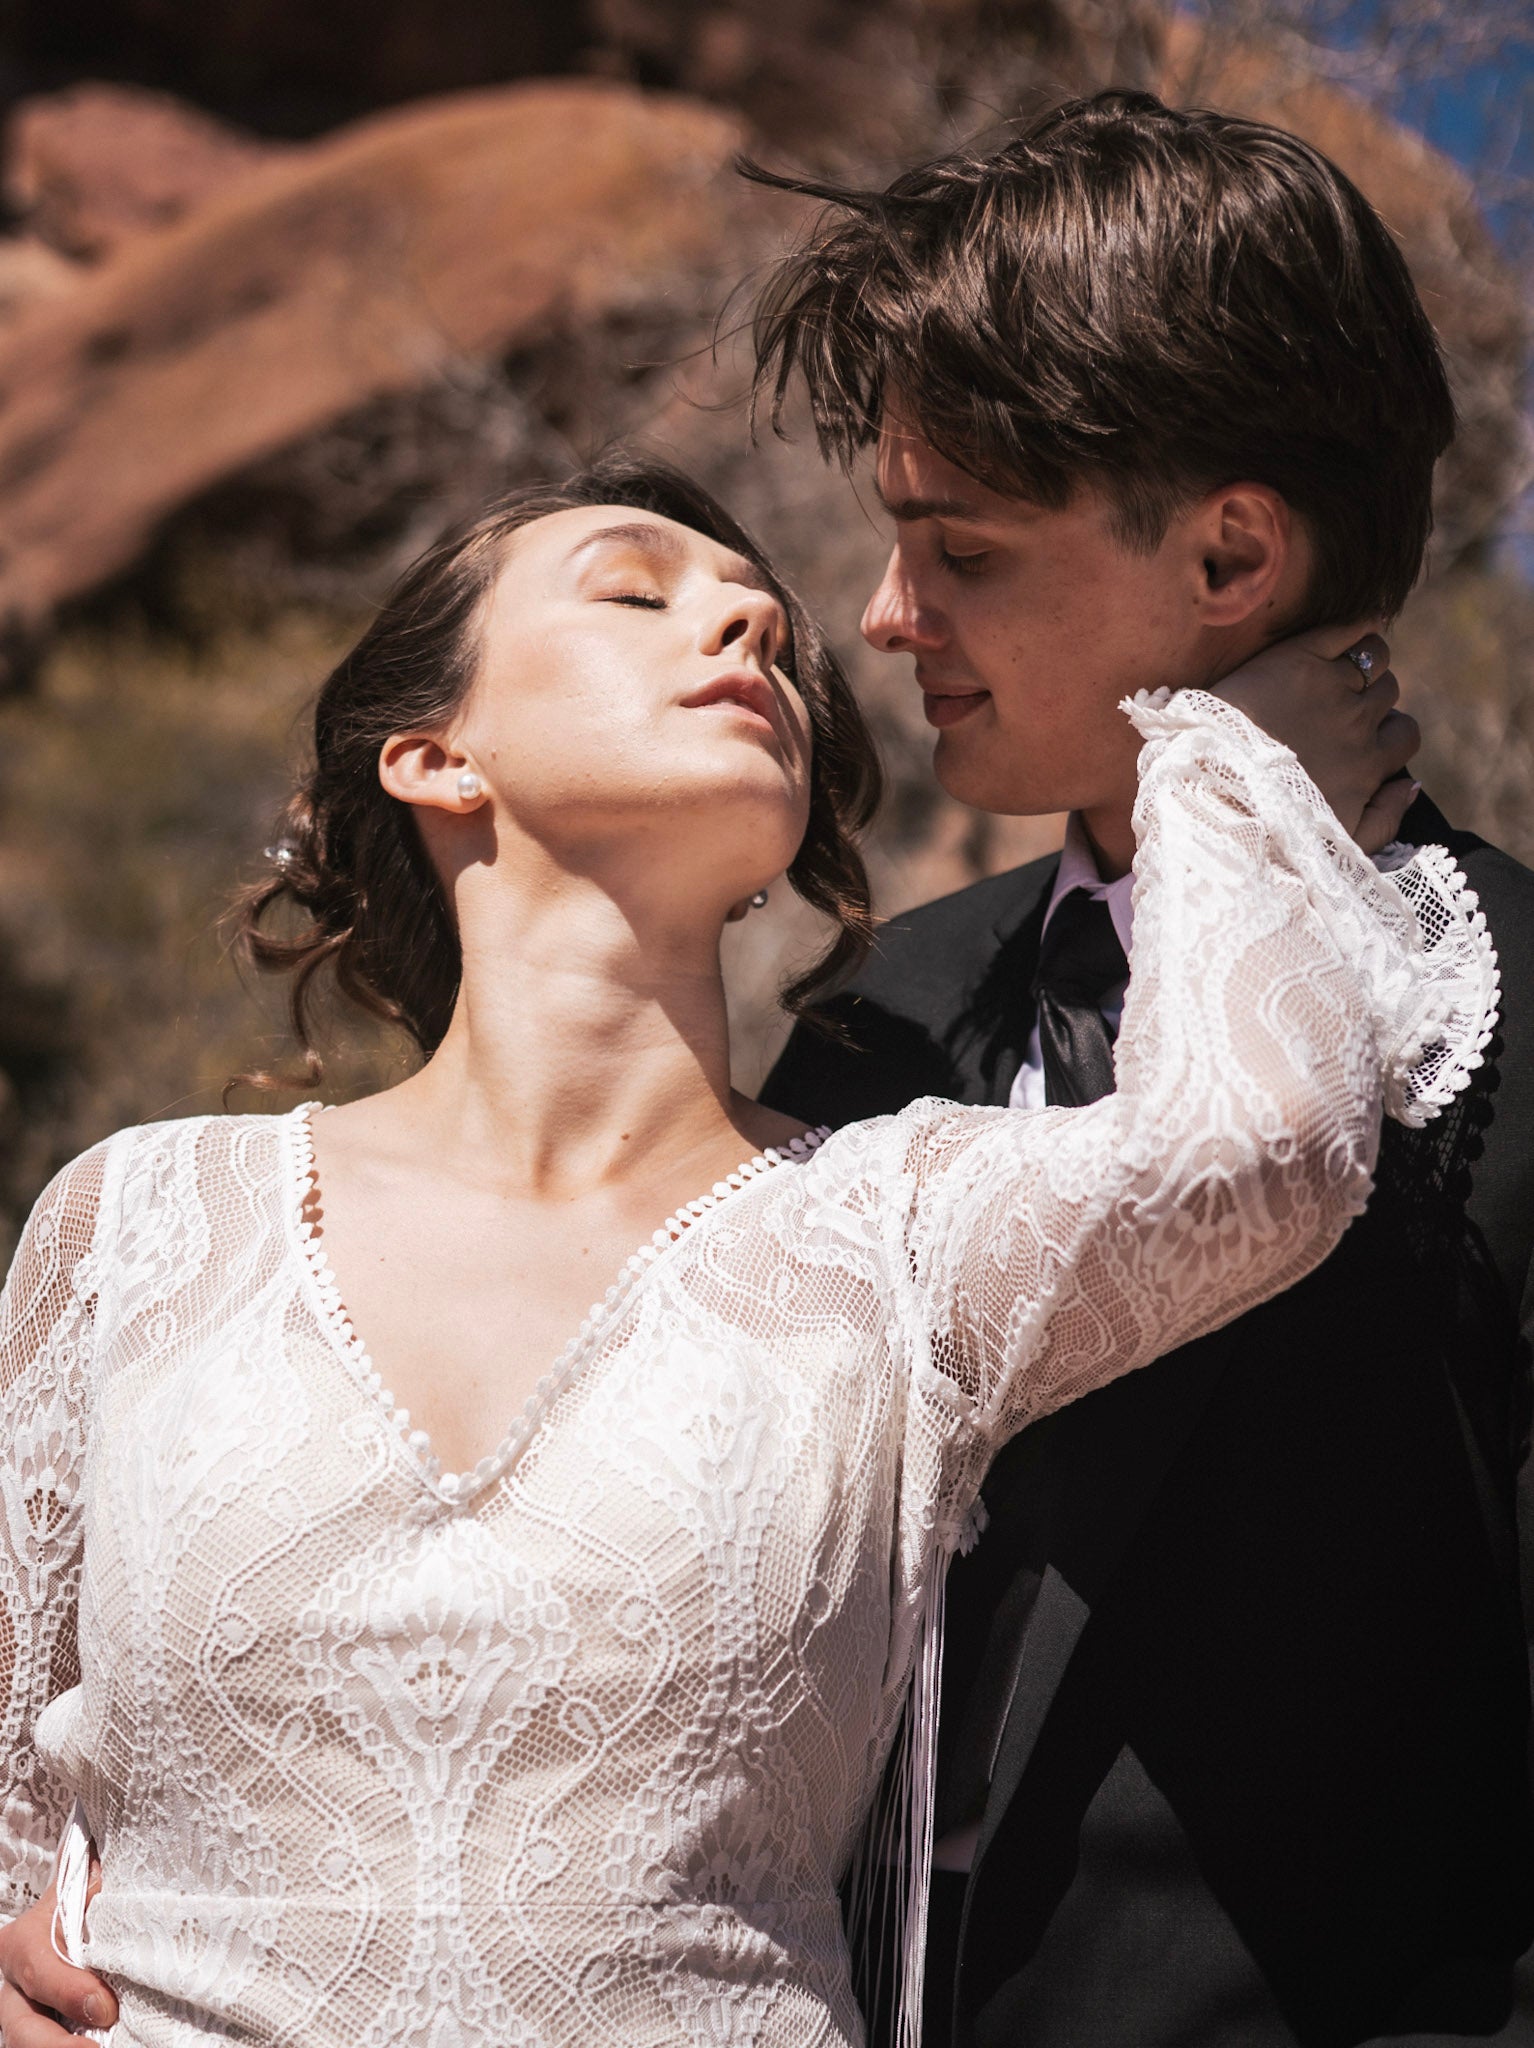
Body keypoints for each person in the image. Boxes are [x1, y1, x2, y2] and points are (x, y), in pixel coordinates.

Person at [0, 446, 1469, 2047]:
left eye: (765, 624)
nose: (749, 627)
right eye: (636, 595)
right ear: (434, 757)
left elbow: (1256, 1156)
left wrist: (1227, 764)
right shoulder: (138, 1220)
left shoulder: (895, 1234)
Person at [749, 91, 1534, 2047]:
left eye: (960, 548)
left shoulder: (1513, 1002)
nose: (884, 615)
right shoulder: (874, 1015)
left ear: (1229, 554)